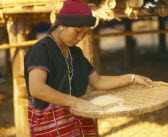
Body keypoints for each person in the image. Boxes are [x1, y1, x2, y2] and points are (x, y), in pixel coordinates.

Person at [24, 0, 153, 136]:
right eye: (77, 31)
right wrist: (77, 102)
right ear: (62, 24)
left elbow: (97, 81)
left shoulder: (75, 53)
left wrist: (131, 78)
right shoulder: (41, 50)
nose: (80, 38)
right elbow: (37, 89)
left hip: (77, 122)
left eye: (84, 33)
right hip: (52, 125)